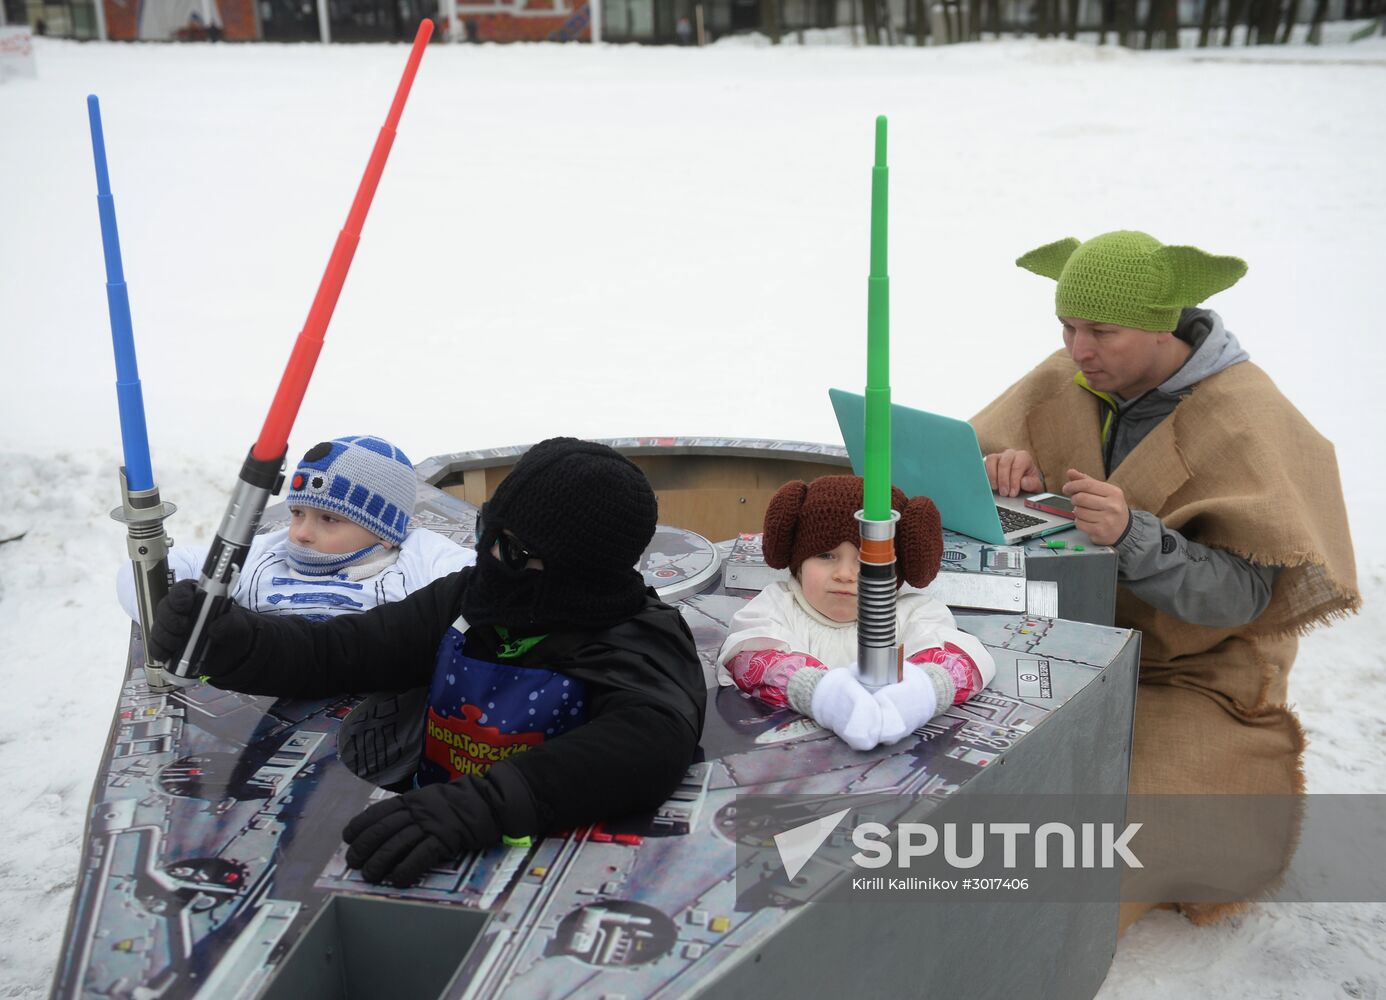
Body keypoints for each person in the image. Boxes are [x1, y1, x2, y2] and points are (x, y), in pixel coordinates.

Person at [971, 230, 1360, 926]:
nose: (1077, 349)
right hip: (1064, 638)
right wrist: (1009, 483)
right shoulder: (1071, 380)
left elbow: (1243, 597)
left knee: (1106, 833)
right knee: (955, 763)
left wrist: (1133, 536)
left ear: (1160, 327)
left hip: (1191, 673)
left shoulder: (1244, 417)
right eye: (1066, 326)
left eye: (1100, 331)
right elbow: (980, 464)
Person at [147, 438, 707, 887]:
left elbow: (646, 743)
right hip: (421, 823)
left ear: (576, 568)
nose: (487, 557)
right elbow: (344, 651)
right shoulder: (471, 598)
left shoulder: (637, 637)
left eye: (509, 549)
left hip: (541, 857)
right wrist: (233, 642)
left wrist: (478, 808)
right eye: (488, 531)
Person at [716, 475, 996, 751]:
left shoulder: (913, 613)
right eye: (826, 556)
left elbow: (960, 659)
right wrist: (818, 693)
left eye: (865, 560)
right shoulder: (778, 605)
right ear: (798, 563)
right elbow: (748, 657)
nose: (845, 574)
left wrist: (923, 692)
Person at [118, 435, 474, 623]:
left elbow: (476, 580)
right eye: (298, 513)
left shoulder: (414, 559)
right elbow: (157, 570)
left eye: (329, 519)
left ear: (384, 531)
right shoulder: (265, 555)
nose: (301, 533)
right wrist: (171, 609)